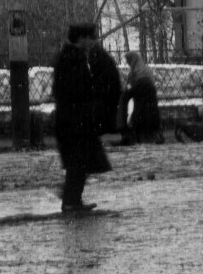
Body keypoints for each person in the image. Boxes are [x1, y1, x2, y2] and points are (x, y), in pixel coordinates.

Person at [48, 22, 114, 214]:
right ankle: (71, 201)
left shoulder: (68, 56)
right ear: (82, 38)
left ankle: (71, 199)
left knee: (79, 161)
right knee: (79, 162)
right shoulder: (74, 59)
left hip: (71, 119)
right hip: (75, 121)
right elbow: (77, 90)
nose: (93, 42)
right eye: (91, 37)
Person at [124, 50, 164, 145]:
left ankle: (143, 140)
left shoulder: (134, 73)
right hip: (150, 103)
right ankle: (154, 138)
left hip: (140, 103)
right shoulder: (145, 70)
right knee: (150, 121)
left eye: (129, 61)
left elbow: (129, 88)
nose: (129, 64)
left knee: (141, 121)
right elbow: (152, 85)